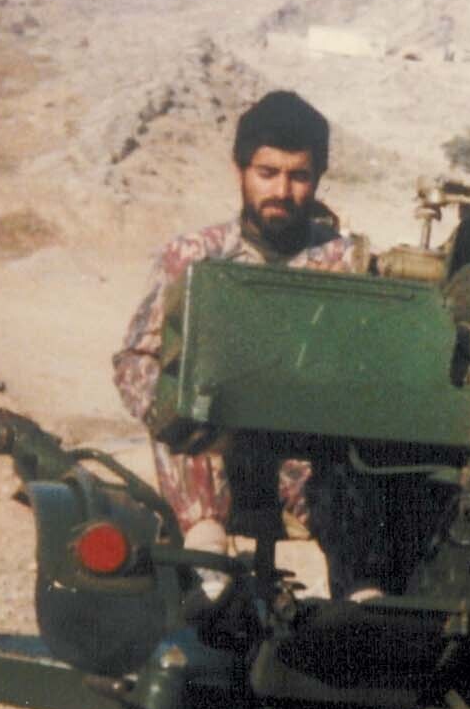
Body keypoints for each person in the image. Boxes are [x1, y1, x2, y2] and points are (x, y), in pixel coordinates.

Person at [113, 90, 378, 599]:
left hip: (308, 449)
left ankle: (359, 593)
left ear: (318, 178)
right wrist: (167, 407)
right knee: (182, 399)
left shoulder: (345, 264)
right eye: (267, 172)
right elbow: (135, 359)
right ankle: (207, 558)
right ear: (240, 170)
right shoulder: (195, 257)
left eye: (299, 176)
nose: (282, 190)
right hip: (214, 446)